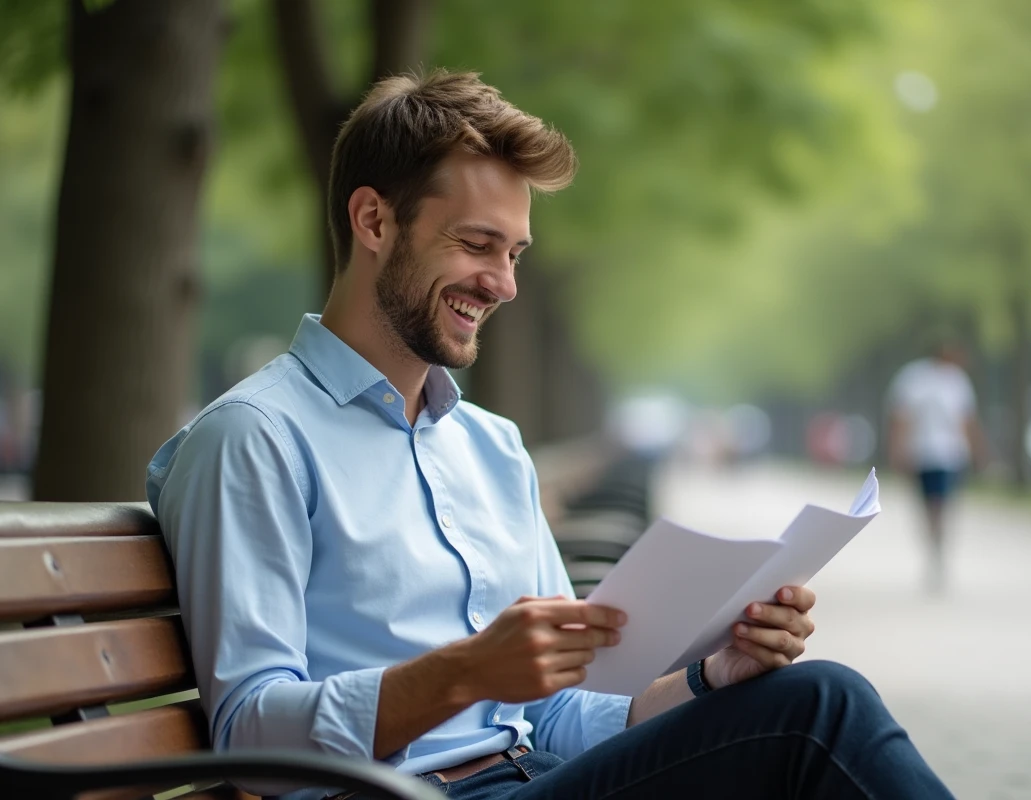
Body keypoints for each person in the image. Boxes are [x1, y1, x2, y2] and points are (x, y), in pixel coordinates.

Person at [147, 70, 953, 800]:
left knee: (794, 699)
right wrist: (464, 673)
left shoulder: (492, 448)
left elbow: (560, 716)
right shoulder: (253, 440)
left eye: (515, 253)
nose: (503, 284)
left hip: (528, 778)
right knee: (819, 709)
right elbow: (250, 738)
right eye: (476, 244)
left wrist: (711, 678)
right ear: (373, 220)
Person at [886, 338, 985, 593]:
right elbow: (901, 417)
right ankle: (933, 546)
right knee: (927, 505)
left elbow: (966, 420)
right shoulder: (913, 378)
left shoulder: (958, 381)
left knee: (942, 504)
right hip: (922, 453)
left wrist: (976, 451)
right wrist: (898, 450)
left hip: (950, 455)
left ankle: (938, 548)